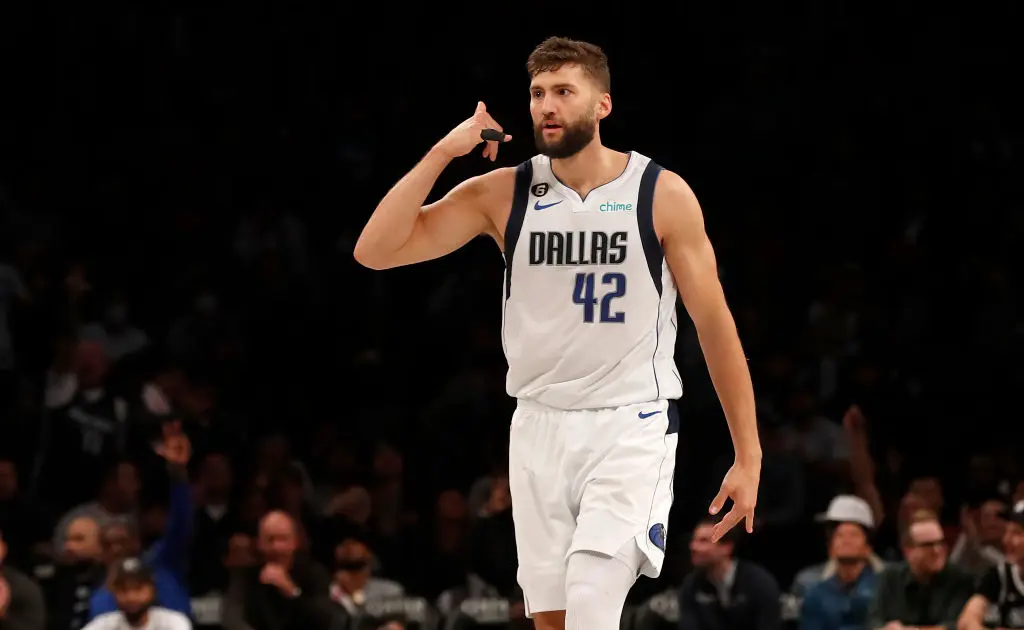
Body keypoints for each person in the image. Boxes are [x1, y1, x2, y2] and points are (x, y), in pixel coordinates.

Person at [354, 36, 761, 630]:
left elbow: (715, 327)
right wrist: (445, 151)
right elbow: (375, 250)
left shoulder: (659, 194)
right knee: (554, 622)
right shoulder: (505, 192)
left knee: (592, 606)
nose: (546, 105)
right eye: (538, 93)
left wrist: (747, 452)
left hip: (629, 424)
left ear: (602, 105)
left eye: (564, 92)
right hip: (538, 426)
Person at [957, 500, 1024, 630]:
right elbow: (966, 622)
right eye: (1006, 532)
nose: (1007, 540)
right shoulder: (998, 575)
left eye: (1017, 533)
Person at [81, 557, 191, 630]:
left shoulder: (172, 622)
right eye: (124, 590)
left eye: (138, 589)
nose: (131, 597)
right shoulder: (105, 624)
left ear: (152, 590)